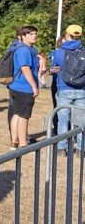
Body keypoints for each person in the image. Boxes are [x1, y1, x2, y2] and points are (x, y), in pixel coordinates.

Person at [51, 24, 84, 156]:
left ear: (67, 36)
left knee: (63, 119)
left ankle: (61, 148)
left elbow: (54, 71)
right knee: (80, 120)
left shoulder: (58, 52)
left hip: (64, 88)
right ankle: (81, 149)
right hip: (82, 89)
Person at [8, 26, 39, 150]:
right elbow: (25, 68)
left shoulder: (21, 48)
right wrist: (34, 86)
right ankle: (22, 144)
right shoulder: (24, 50)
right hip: (24, 88)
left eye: (35, 33)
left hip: (16, 86)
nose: (34, 36)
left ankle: (14, 141)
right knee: (24, 116)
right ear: (23, 36)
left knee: (16, 113)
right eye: (31, 34)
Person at [49, 35, 66, 136]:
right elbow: (53, 69)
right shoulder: (56, 53)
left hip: (71, 84)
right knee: (57, 107)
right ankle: (56, 129)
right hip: (58, 83)